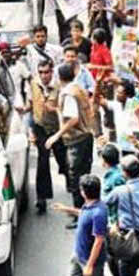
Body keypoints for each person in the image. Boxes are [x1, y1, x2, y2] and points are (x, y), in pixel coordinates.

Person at [46, 64, 94, 229]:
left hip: (76, 140)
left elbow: (72, 119)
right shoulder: (78, 88)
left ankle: (79, 214)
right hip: (86, 135)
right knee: (84, 175)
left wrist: (56, 135)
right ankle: (86, 210)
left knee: (76, 178)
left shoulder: (68, 94)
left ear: (59, 78)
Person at [26, 60, 69, 214]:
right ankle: (41, 198)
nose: (44, 76)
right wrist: (30, 130)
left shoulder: (60, 87)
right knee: (42, 162)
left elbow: (63, 110)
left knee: (63, 160)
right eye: (41, 72)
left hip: (56, 130)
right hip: (40, 128)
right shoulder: (33, 84)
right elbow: (29, 108)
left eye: (47, 72)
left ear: (52, 72)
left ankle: (74, 188)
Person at [53, 175, 108, 276]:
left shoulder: (98, 213)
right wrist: (66, 209)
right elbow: (83, 214)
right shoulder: (89, 205)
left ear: (83, 192)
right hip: (78, 255)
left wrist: (89, 265)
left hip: (90, 261)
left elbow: (98, 241)